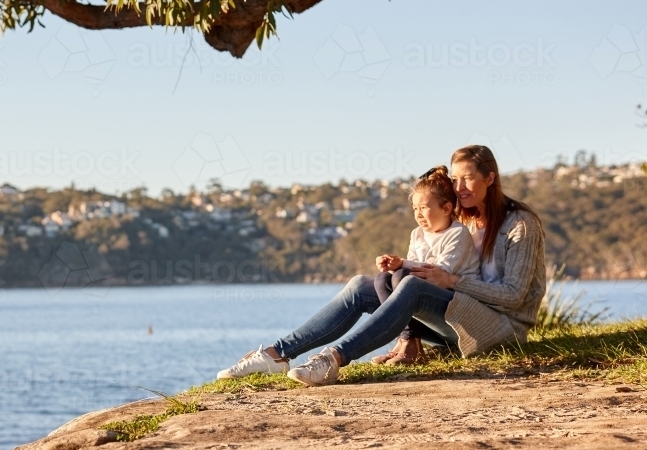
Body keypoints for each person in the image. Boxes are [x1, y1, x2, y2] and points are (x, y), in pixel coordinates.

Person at [216, 145, 546, 386]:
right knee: (363, 284)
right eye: (455, 180)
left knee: (414, 287)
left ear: (491, 178)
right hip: (457, 322)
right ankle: (277, 354)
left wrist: (452, 280)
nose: (459, 189)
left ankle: (333, 359)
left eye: (469, 179)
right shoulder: (459, 221)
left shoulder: (519, 225)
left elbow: (515, 296)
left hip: (501, 329)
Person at [370, 166, 479, 366]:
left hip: (456, 303)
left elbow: (439, 271)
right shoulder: (417, 234)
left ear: (446, 208)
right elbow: (409, 266)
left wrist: (402, 264)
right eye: (415, 209)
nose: (418, 214)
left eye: (424, 208)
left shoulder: (458, 234)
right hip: (425, 295)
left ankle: (409, 344)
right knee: (383, 279)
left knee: (402, 275)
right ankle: (406, 341)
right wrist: (392, 265)